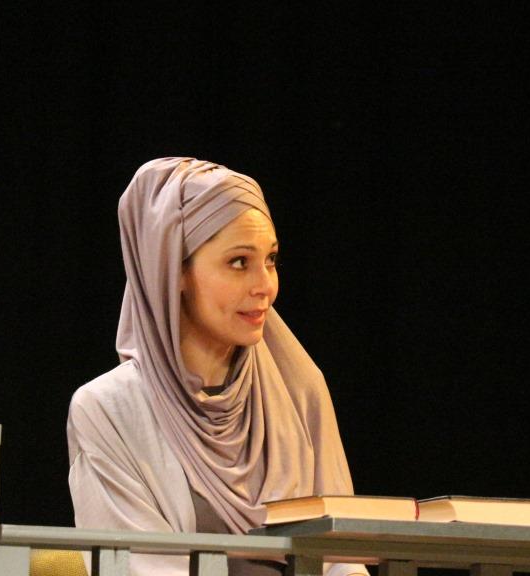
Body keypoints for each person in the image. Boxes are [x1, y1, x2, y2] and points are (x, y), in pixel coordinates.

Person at [68, 158, 367, 576]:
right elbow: (140, 568)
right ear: (173, 270)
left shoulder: (300, 388)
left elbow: (340, 558)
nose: (265, 286)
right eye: (239, 262)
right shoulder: (108, 410)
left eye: (271, 260)